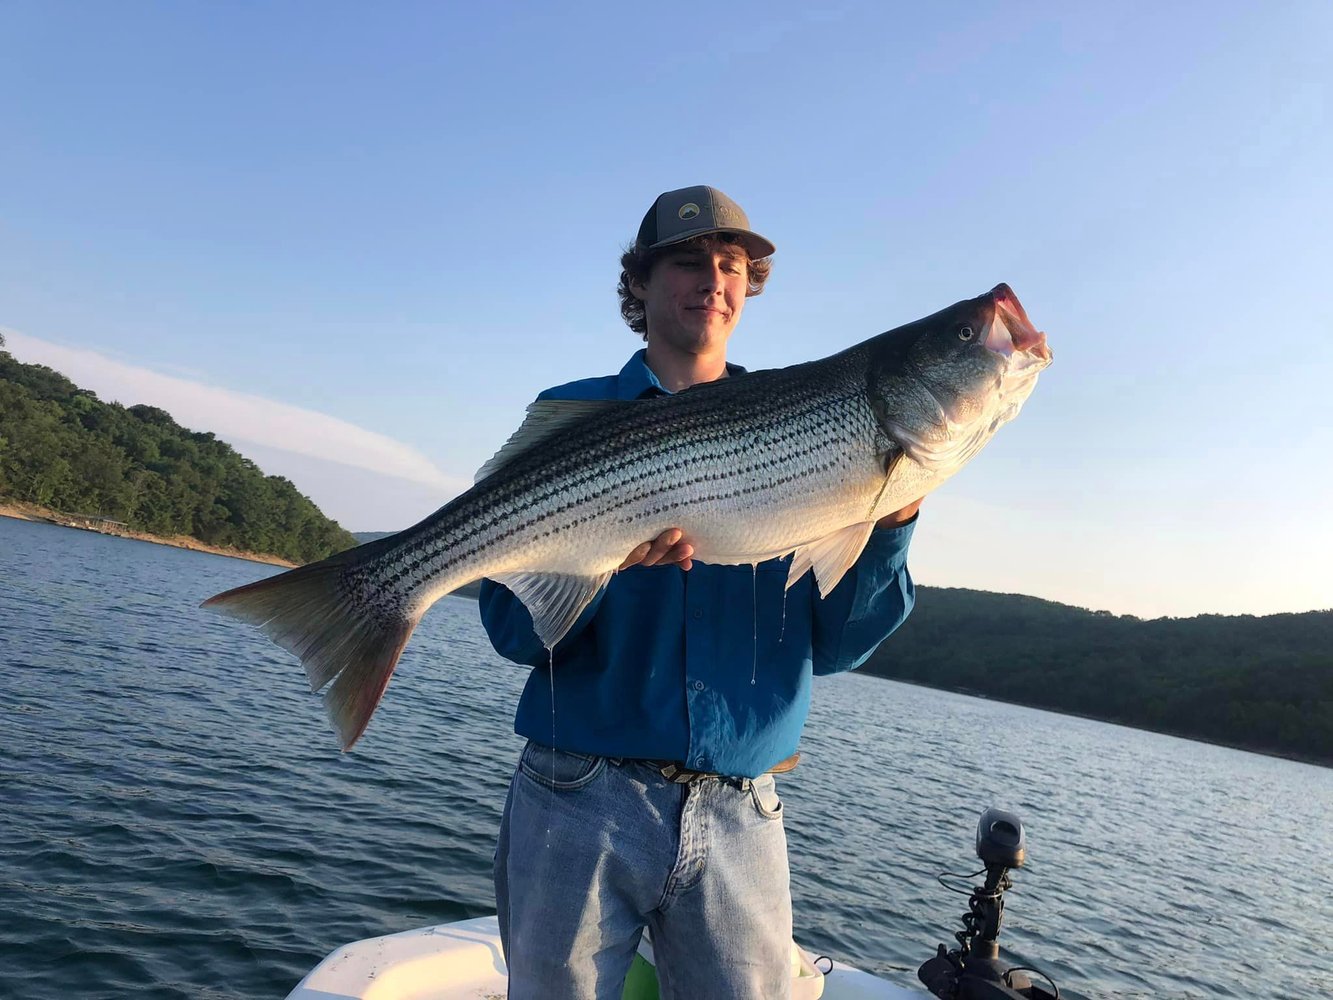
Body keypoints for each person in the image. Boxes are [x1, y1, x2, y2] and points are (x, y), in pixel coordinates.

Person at [479, 185, 921, 1000]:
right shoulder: (571, 416)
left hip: (742, 812)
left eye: (731, 265)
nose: (712, 279)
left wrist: (891, 524)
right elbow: (511, 629)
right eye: (687, 261)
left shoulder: (810, 429)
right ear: (638, 285)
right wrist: (603, 567)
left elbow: (838, 645)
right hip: (576, 791)